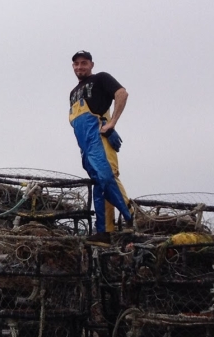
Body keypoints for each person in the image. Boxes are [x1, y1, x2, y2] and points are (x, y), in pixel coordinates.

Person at [68, 50, 133, 245]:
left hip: (100, 139)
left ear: (91, 65)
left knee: (108, 177)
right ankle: (104, 231)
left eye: (84, 63)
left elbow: (122, 93)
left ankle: (133, 219)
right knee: (99, 183)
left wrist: (111, 123)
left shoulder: (100, 79)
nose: (80, 67)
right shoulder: (73, 93)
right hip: (85, 144)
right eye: (76, 64)